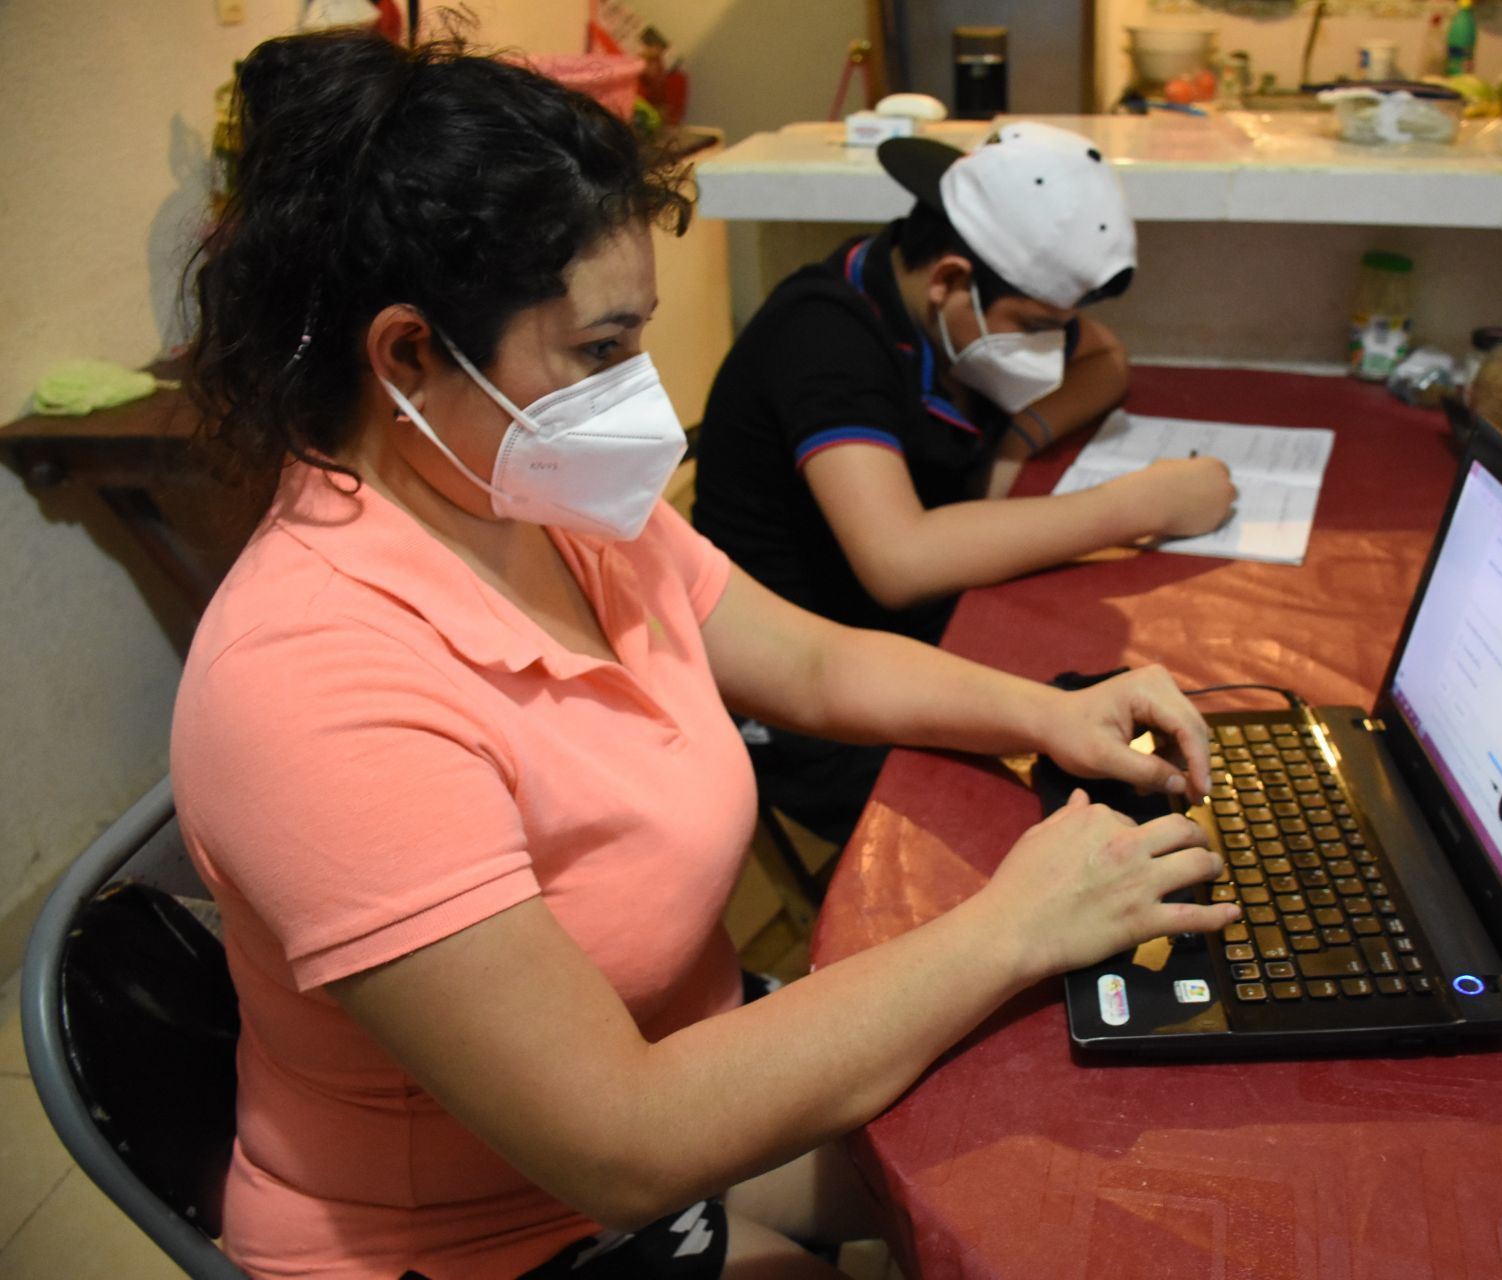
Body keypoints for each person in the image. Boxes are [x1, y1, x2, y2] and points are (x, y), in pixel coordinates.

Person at [171, 29, 1239, 1280]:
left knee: (1079, 1141)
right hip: (499, 1231)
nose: (639, 393)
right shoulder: (314, 685)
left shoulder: (542, 507)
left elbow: (819, 666)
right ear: (409, 354)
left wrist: (1047, 715)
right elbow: (620, 1142)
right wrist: (1013, 922)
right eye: (599, 349)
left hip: (686, 1063)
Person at [692, 123, 1237, 842]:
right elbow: (899, 560)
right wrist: (1137, 505)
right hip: (803, 691)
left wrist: (1017, 440)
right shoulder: (821, 337)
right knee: (1050, 826)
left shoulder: (946, 305)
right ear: (950, 279)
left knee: (1128, 727)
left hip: (905, 647)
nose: (1048, 345)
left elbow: (1106, 361)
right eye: (1036, 325)